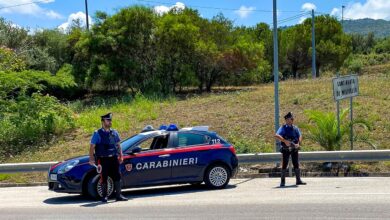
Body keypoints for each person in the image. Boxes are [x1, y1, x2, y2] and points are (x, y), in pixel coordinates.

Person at [89, 113, 128, 202]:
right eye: (108, 120)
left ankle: (118, 195)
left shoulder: (114, 132)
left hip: (113, 158)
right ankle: (104, 196)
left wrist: (121, 155)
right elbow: (92, 146)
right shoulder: (97, 133)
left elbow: (118, 145)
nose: (110, 122)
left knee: (117, 176)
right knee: (104, 177)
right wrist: (91, 158)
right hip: (103, 159)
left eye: (110, 120)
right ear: (103, 121)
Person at [274, 112, 306, 187]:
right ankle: (282, 182)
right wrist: (285, 141)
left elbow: (300, 135)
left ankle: (298, 180)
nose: (290, 120)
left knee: (296, 164)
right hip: (286, 149)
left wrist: (299, 143)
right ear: (286, 120)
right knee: (284, 165)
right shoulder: (283, 127)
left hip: (294, 148)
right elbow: (276, 135)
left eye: (291, 119)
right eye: (288, 119)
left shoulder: (295, 128)